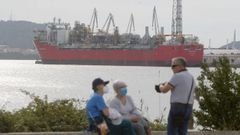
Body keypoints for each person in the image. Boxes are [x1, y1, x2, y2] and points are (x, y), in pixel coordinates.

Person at [155, 57, 196, 135]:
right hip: (188, 107)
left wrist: (160, 86)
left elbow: (164, 90)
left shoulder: (177, 76)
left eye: (173, 66)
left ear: (180, 66)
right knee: (183, 132)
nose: (171, 68)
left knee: (172, 131)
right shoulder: (191, 77)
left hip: (177, 107)